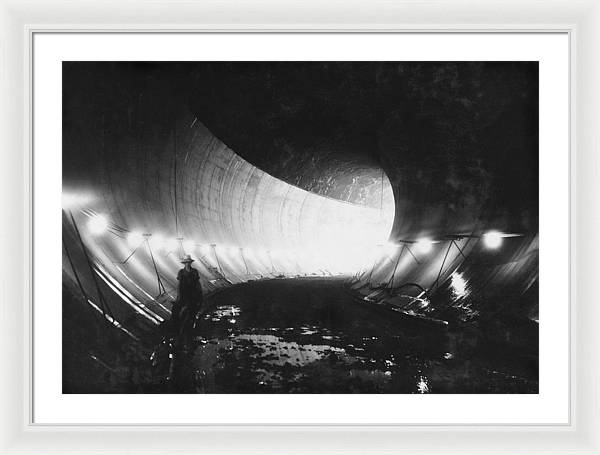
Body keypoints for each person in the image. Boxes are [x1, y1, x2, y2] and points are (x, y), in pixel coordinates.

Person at [171, 254, 203, 337]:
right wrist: (178, 296)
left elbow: (197, 284)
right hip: (184, 293)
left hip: (193, 294)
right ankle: (175, 328)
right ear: (184, 264)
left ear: (190, 263)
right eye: (186, 263)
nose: (187, 264)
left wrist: (199, 294)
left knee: (192, 310)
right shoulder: (181, 272)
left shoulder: (194, 271)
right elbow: (179, 284)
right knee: (176, 309)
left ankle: (191, 327)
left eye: (188, 262)